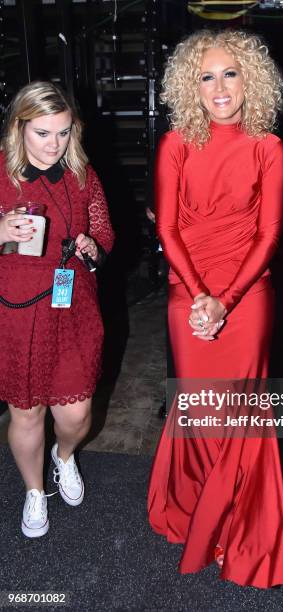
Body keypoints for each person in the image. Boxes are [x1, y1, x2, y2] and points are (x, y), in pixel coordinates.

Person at [147, 30, 283, 588]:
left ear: (250, 78)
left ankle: (237, 531)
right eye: (206, 76)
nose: (219, 87)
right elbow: (167, 227)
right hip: (188, 290)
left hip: (247, 294)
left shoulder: (268, 148)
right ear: (191, 85)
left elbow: (269, 235)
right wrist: (199, 295)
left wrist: (226, 300)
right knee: (200, 412)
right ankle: (196, 512)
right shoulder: (176, 144)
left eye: (230, 72)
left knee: (236, 413)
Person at [0, 81, 114, 537]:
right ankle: (33, 490)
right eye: (43, 133)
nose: (54, 144)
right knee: (26, 413)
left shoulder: (82, 176)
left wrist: (92, 245)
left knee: (75, 415)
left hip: (72, 305)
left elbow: (105, 231)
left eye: (63, 133)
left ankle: (62, 456)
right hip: (15, 308)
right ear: (19, 128)